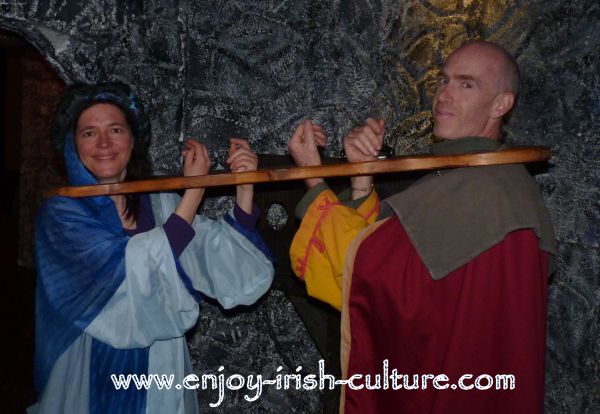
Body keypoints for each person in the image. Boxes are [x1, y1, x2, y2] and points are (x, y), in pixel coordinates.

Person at [288, 40, 557, 413]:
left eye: (466, 85)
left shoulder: (479, 189)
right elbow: (398, 261)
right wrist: (362, 176)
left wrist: (313, 179)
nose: (444, 95)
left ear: (501, 104)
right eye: (443, 81)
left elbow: (366, 277)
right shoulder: (498, 181)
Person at [31, 82, 274, 414]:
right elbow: (126, 271)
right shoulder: (60, 214)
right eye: (89, 133)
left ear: (133, 141)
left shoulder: (160, 204)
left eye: (115, 130)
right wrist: (194, 192)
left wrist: (245, 189)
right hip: (91, 368)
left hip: (160, 369)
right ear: (74, 144)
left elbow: (223, 267)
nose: (103, 143)